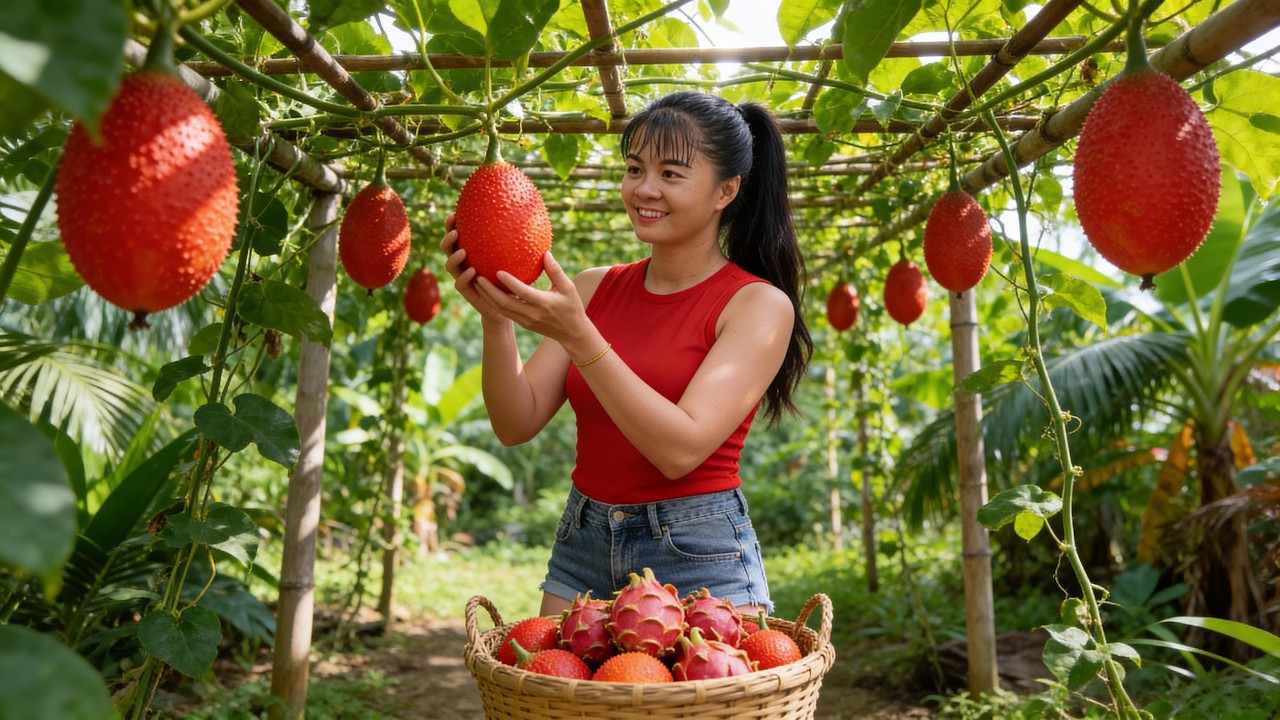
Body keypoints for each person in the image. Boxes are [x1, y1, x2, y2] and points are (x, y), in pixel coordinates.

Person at [440, 90, 811, 619]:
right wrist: (495, 318)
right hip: (584, 540)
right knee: (563, 700)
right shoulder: (594, 289)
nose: (644, 189)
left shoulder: (758, 305)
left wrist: (579, 335)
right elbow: (514, 422)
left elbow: (680, 450)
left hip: (698, 552)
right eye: (635, 168)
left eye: (671, 174)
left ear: (726, 190)